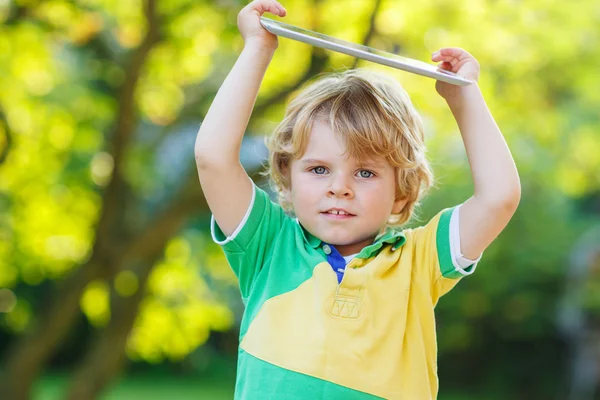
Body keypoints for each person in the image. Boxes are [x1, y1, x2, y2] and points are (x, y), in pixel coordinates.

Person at [194, 1, 521, 398]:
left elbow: (499, 197)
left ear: (401, 193)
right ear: (287, 178)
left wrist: (463, 97)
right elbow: (213, 158)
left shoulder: (418, 261)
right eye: (318, 169)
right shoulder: (268, 246)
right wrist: (257, 49)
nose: (340, 188)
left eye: (365, 173)